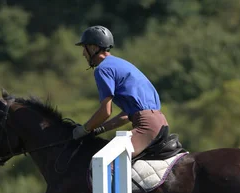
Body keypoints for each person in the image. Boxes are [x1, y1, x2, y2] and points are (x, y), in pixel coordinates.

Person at [72, 25, 169, 158]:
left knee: (101, 162)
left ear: (94, 48)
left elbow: (105, 111)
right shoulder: (120, 63)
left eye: (85, 47)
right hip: (161, 122)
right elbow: (125, 116)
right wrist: (99, 129)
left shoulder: (103, 69)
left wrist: (84, 129)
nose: (83, 53)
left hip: (146, 126)